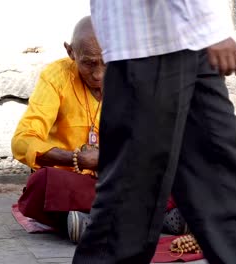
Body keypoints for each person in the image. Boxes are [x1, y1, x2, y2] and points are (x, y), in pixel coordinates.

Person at [72, 1, 236, 264]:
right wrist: (209, 22)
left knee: (221, 180)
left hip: (193, 39)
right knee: (129, 202)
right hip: (147, 42)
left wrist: (207, 25)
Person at [11, 16, 188, 243]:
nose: (98, 74)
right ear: (71, 52)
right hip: (74, 180)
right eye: (89, 63)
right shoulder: (56, 77)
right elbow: (22, 141)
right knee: (41, 185)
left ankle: (97, 220)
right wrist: (77, 158)